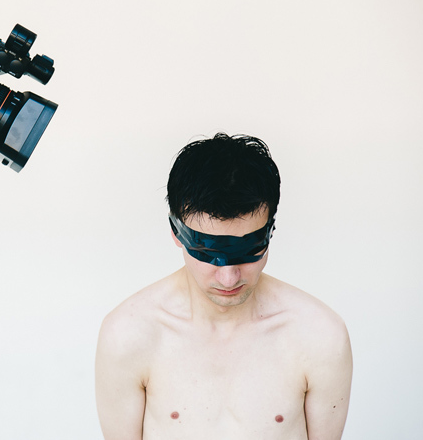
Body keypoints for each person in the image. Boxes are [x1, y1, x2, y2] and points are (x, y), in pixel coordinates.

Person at [95, 133, 352, 439]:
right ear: (175, 232)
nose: (229, 277)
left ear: (270, 230)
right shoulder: (129, 335)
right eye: (207, 251)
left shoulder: (319, 336)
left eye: (249, 250)